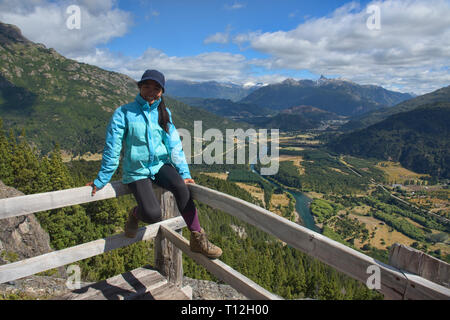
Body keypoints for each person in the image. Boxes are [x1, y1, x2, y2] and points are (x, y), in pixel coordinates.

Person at [86, 69, 222, 259]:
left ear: (161, 92)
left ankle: (198, 238)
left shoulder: (164, 112)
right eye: (147, 86)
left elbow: (173, 144)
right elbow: (112, 147)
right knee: (152, 214)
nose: (151, 90)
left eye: (156, 88)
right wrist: (101, 179)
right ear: (140, 87)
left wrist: (184, 173)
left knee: (182, 189)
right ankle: (135, 214)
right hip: (137, 170)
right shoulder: (124, 113)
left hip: (160, 165)